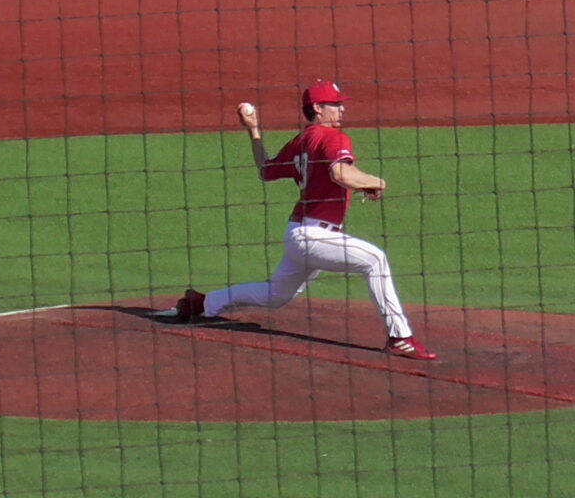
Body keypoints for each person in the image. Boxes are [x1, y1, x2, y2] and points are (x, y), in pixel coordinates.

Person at [159, 80, 436, 360]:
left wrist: (253, 130)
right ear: (317, 108)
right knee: (375, 260)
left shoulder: (302, 140)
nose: (342, 109)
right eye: (335, 104)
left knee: (275, 295)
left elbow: (265, 170)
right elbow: (340, 174)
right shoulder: (333, 138)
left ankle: (203, 303)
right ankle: (401, 338)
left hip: (301, 235)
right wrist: (377, 181)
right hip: (314, 237)